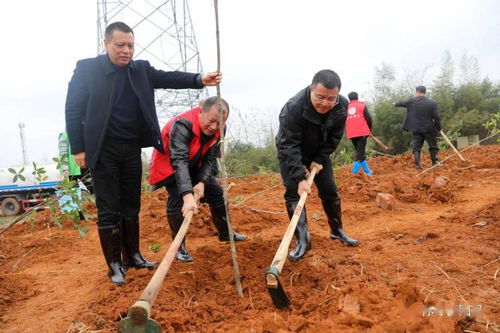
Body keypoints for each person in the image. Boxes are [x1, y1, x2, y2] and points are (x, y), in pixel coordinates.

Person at [65, 22, 222, 285]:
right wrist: (78, 148)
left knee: (130, 204)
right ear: (106, 44)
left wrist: (198, 80)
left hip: (130, 148)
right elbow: (73, 109)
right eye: (120, 45)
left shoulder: (140, 70)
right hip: (102, 150)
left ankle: (134, 256)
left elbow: (167, 77)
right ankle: (114, 264)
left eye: (130, 46)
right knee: (109, 208)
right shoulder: (87, 69)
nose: (126, 51)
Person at [149, 96, 247, 263]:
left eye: (220, 123)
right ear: (202, 112)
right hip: (170, 166)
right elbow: (179, 162)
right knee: (177, 198)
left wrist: (201, 183)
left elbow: (210, 160)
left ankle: (225, 233)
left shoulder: (219, 129)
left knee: (216, 192)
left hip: (196, 162)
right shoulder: (182, 125)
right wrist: (188, 196)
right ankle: (179, 248)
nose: (214, 127)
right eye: (212, 121)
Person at [275, 69, 359, 262]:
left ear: (337, 94)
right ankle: (303, 240)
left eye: (331, 98)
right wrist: (298, 177)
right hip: (291, 152)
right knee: (294, 194)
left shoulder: (342, 106)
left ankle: (337, 231)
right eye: (320, 97)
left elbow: (335, 136)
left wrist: (320, 159)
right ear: (312, 89)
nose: (325, 103)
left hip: (318, 152)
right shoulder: (294, 107)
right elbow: (289, 143)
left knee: (329, 190)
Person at [394, 86, 442, 169]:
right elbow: (436, 117)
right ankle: (435, 163)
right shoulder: (432, 103)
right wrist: (438, 128)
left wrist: (395, 103)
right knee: (433, 146)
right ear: (424, 92)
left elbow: (402, 103)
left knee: (416, 147)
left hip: (416, 129)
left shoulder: (411, 101)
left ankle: (417, 165)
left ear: (417, 92)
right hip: (429, 128)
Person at [346, 92, 373, 175]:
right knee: (360, 153)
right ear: (357, 97)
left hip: (351, 133)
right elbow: (368, 119)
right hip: (362, 132)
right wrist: (369, 129)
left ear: (349, 98)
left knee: (360, 152)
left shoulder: (346, 107)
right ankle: (354, 173)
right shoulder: (362, 105)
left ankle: (367, 171)